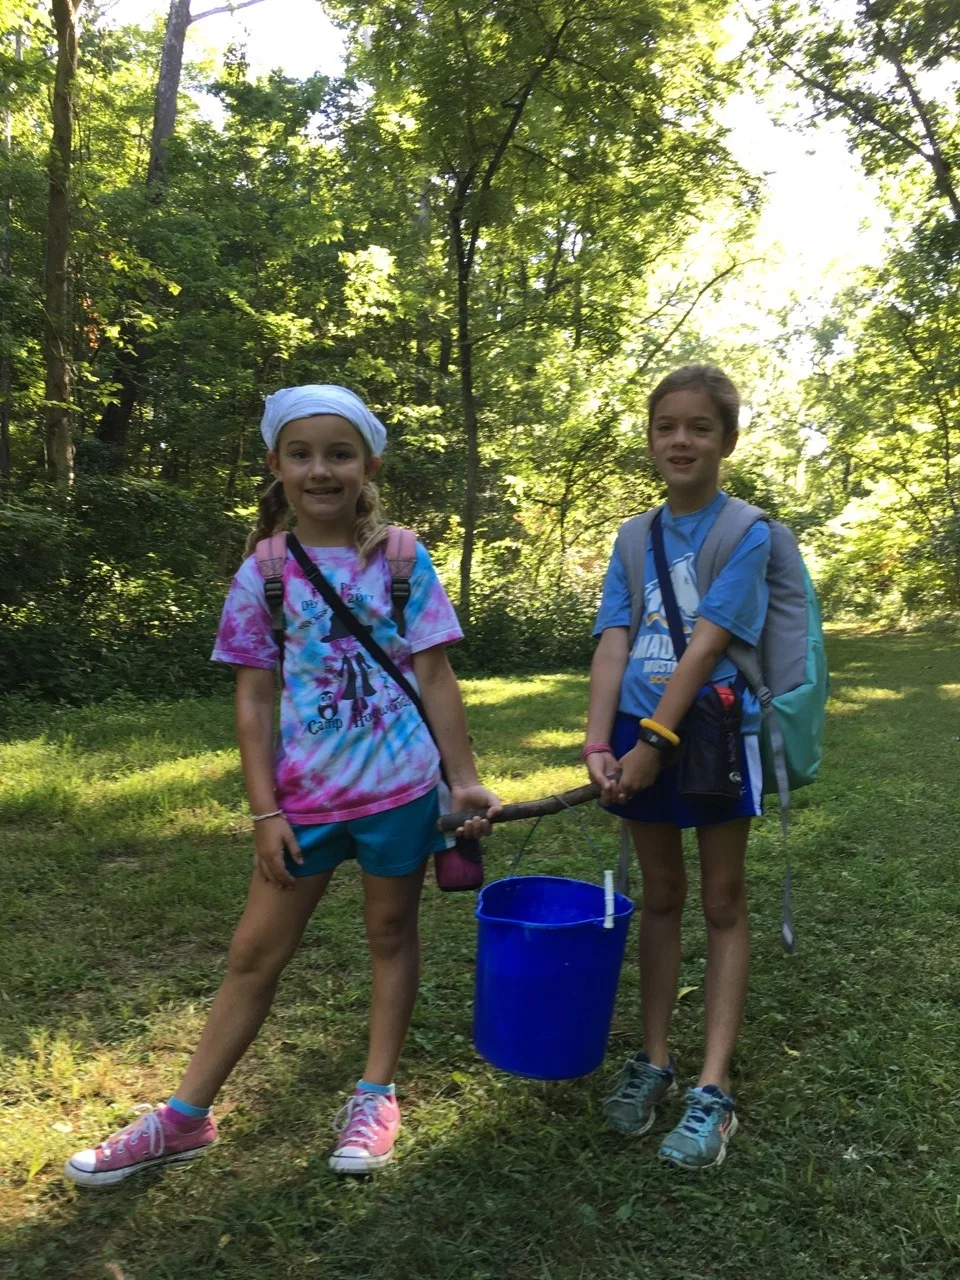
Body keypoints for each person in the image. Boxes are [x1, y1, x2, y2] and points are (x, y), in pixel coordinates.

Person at [64, 384, 499, 1188]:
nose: (320, 469)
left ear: (367, 465)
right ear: (275, 466)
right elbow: (255, 698)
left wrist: (462, 781)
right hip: (303, 805)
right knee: (253, 953)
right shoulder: (264, 570)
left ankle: (376, 1095)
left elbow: (434, 675)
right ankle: (184, 1118)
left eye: (339, 454)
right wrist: (264, 810)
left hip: (400, 794)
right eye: (302, 454)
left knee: (390, 937)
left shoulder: (401, 557)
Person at [583, 364, 769, 1171]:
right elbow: (614, 639)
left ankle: (712, 1090)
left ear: (726, 439)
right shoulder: (633, 536)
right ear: (651, 439)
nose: (681, 440)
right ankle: (653, 1062)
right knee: (659, 896)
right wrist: (600, 741)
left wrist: (651, 745)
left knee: (723, 902)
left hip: (711, 734)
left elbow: (708, 644)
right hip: (635, 731)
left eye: (699, 427)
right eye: (667, 427)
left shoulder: (749, 533)